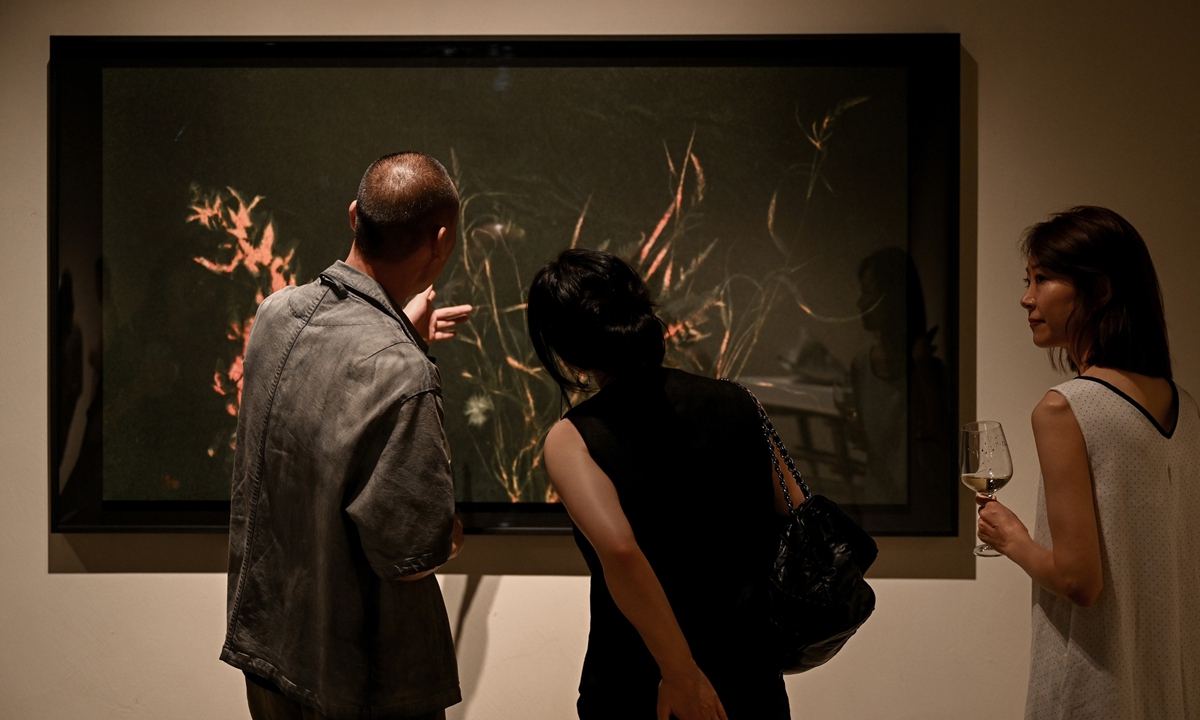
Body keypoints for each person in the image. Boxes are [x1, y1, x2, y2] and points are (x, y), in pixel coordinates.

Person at [221, 152, 473, 720]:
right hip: (361, 683)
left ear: (355, 215)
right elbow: (409, 554)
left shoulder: (274, 314)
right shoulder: (402, 373)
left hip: (270, 647)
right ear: (439, 241)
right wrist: (450, 535)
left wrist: (404, 338)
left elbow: (324, 418)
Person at [528, 249, 799, 720]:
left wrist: (681, 673)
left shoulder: (573, 437)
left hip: (645, 682)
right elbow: (797, 509)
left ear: (567, 353)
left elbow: (621, 552)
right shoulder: (740, 401)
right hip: (749, 674)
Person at [976, 206, 1200, 719]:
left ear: (1100, 291)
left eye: (1044, 278)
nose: (1027, 297)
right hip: (1171, 689)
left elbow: (1080, 581)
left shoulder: (1064, 408)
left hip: (1096, 690)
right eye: (1028, 279)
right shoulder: (1185, 407)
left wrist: (1009, 536)